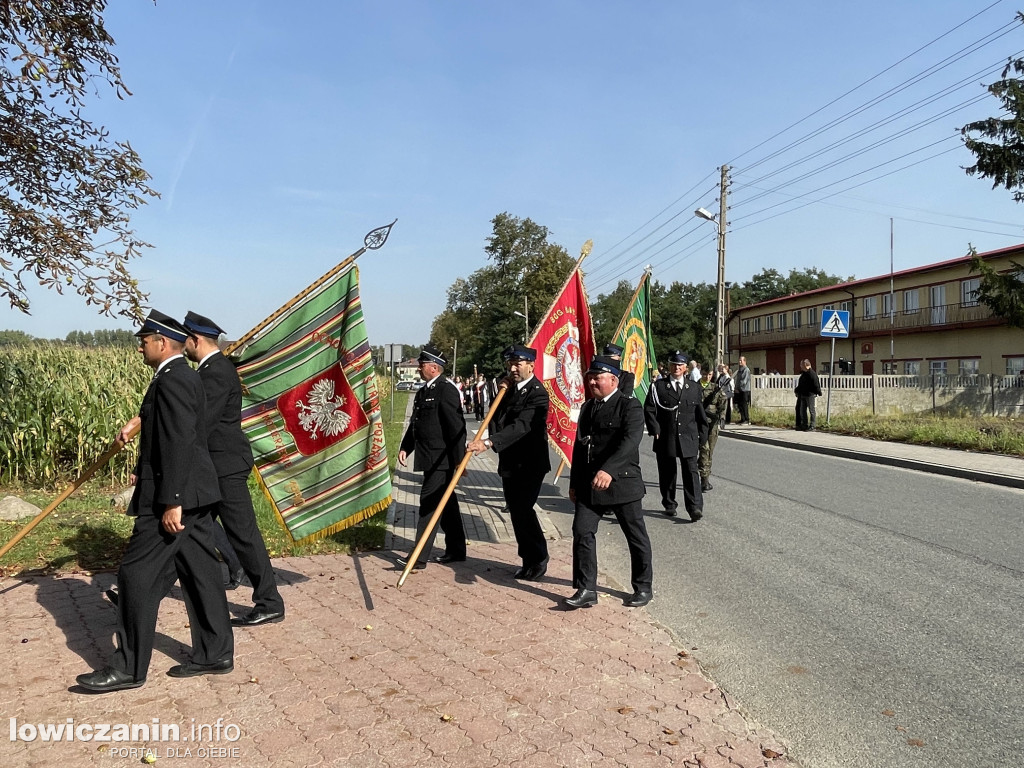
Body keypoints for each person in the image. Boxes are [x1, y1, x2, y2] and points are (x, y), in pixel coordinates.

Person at [76, 310, 232, 692]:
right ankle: (215, 653)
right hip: (192, 491)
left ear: (162, 343)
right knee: (200, 574)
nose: (140, 346)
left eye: (144, 340)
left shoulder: (174, 379)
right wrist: (139, 439)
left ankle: (128, 668)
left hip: (175, 495)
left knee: (136, 575)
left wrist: (172, 500)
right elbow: (164, 429)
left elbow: (179, 440)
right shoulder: (178, 375)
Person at [182, 311, 286, 627]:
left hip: (224, 466)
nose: (181, 344)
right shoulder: (212, 369)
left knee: (243, 535)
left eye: (183, 338)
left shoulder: (215, 373)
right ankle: (140, 593)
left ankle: (269, 601)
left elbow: (200, 422)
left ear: (195, 339)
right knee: (179, 530)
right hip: (215, 464)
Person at [565, 355, 652, 609]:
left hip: (621, 483)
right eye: (590, 377)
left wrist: (608, 470)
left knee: (635, 537)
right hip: (590, 485)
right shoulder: (588, 407)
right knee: (582, 532)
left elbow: (630, 442)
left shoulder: (630, 406)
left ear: (613, 380)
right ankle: (586, 588)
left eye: (598, 377)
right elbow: (580, 448)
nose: (592, 381)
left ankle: (643, 587)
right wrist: (574, 482)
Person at [467, 344, 549, 580]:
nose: (513, 368)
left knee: (523, 509)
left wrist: (489, 442)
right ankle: (527, 559)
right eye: (510, 364)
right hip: (510, 462)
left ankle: (539, 558)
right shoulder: (509, 391)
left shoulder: (538, 393)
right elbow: (496, 419)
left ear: (531, 365)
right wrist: (482, 437)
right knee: (516, 511)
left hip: (530, 463)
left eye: (518, 364)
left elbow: (521, 426)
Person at [397, 345, 468, 569]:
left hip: (442, 460)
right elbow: (415, 424)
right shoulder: (423, 391)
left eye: (422, 364)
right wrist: (405, 447)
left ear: (434, 367)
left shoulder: (446, 390)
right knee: (447, 505)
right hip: (428, 458)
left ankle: (418, 557)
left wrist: (459, 461)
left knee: (429, 505)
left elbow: (456, 428)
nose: (418, 368)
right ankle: (457, 550)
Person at [643, 351, 708, 521]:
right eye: (673, 364)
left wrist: (703, 436)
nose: (676, 368)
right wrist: (654, 428)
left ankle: (694, 507)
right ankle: (669, 503)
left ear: (686, 368)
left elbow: (700, 414)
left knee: (691, 472)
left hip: (688, 437)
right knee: (667, 473)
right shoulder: (658, 387)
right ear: (669, 366)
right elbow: (649, 409)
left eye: (680, 365)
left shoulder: (694, 388)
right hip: (666, 436)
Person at [699, 367, 729, 491]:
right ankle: (703, 478)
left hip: (713, 424)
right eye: (705, 374)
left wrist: (722, 417)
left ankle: (705, 478)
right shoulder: (695, 388)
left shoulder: (716, 388)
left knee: (709, 451)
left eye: (710, 374)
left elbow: (723, 404)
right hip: (699, 424)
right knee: (704, 450)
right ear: (701, 373)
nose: (707, 377)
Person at [795, 358, 822, 431]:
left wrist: (818, 392)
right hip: (803, 394)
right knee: (802, 410)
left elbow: (816, 384)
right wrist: (797, 390)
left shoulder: (812, 374)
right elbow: (801, 384)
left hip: (810, 395)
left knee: (811, 410)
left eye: (801, 365)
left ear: (805, 365)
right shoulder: (804, 374)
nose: (800, 366)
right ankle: (804, 425)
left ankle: (812, 426)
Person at [734, 356, 751, 424]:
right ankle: (742, 418)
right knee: (740, 405)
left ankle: (746, 419)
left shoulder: (746, 370)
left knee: (744, 405)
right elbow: (737, 380)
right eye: (739, 360)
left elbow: (744, 381)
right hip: (739, 390)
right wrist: (736, 388)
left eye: (741, 360)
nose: (739, 362)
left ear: (744, 361)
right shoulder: (740, 370)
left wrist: (739, 388)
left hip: (744, 390)